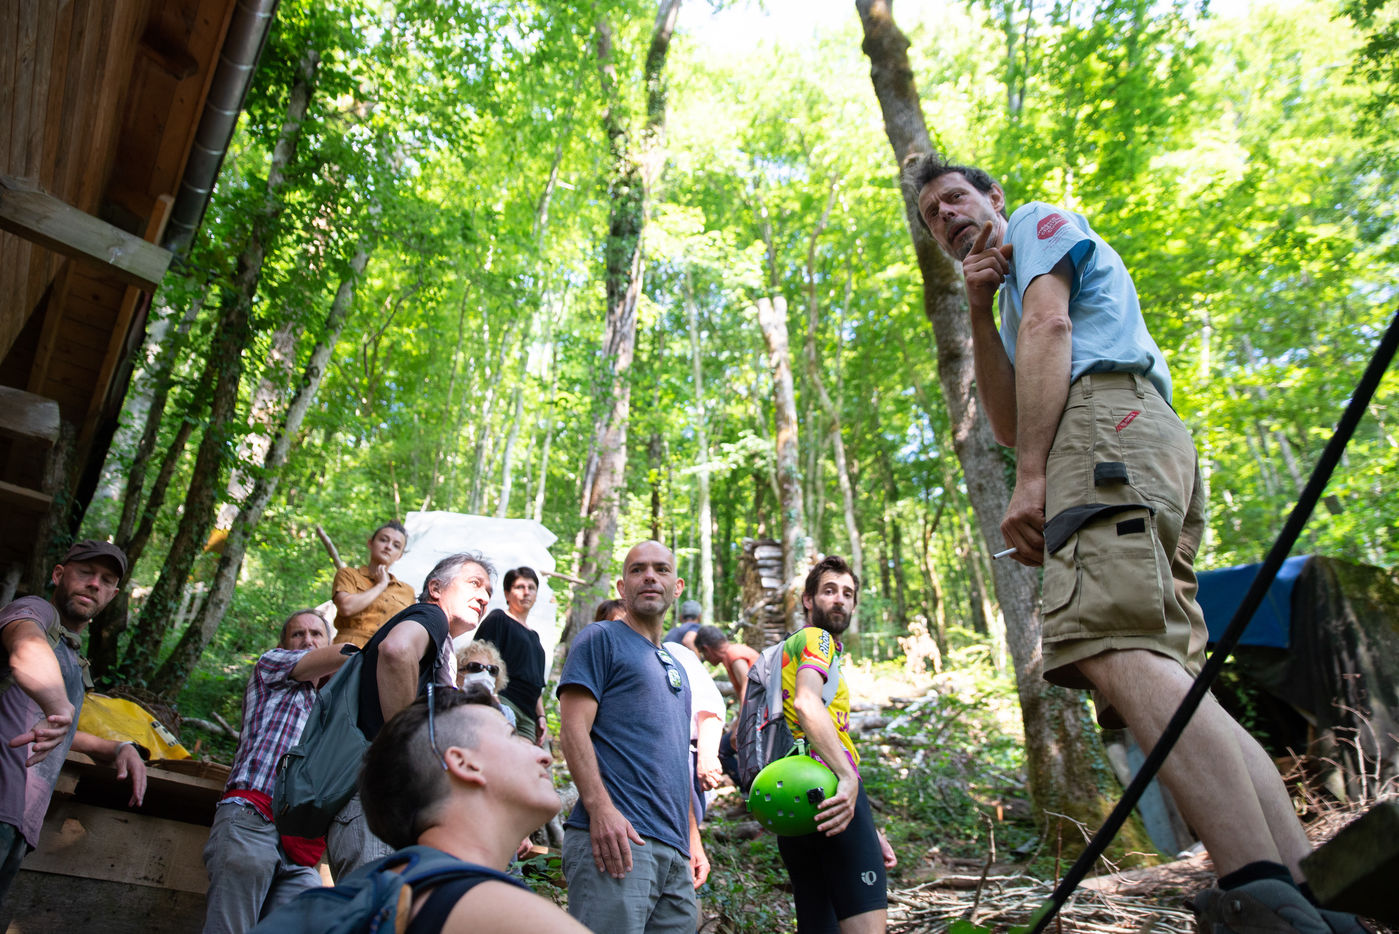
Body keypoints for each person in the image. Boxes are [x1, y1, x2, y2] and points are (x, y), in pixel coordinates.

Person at [908, 156, 1363, 933]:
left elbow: (1052, 331)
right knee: (1173, 676)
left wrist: (1031, 479)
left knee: (1108, 641)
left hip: (1104, 429)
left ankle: (1260, 895)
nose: (946, 217)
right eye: (931, 216)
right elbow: (1009, 421)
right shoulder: (1007, 292)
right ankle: (1306, 894)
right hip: (1130, 441)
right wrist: (979, 312)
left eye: (955, 198)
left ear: (994, 197)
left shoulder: (1034, 223)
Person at [255, 685, 590, 934]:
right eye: (512, 735)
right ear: (464, 763)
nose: (544, 756)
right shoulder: (501, 912)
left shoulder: (375, 889)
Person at [557, 541, 709, 934]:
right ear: (622, 587)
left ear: (677, 587)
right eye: (638, 569)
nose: (650, 577)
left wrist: (692, 838)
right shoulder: (600, 639)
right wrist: (601, 810)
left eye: (661, 569)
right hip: (617, 841)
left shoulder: (677, 667)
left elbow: (678, 758)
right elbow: (572, 729)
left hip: (674, 852)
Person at [326, 552, 493, 881]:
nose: (485, 597)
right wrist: (408, 753)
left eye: (488, 591)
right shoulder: (431, 616)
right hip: (374, 801)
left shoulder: (439, 645)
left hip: (375, 804)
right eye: (475, 583)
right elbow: (396, 650)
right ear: (435, 588)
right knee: (378, 905)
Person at [0, 540, 147, 906]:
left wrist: (117, 748)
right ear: (58, 574)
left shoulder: (72, 655)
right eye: (86, 572)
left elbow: (54, 728)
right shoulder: (34, 612)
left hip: (20, 822)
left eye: (106, 580)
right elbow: (25, 642)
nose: (94, 583)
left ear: (113, 595)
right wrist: (58, 702)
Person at [202, 609, 356, 933]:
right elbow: (344, 655)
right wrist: (382, 651)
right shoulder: (271, 666)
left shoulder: (333, 708)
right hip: (251, 818)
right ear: (283, 645)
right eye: (298, 634)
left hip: (299, 846)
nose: (307, 640)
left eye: (316, 634)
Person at [773, 556, 896, 934]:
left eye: (847, 593)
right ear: (808, 600)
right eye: (829, 591)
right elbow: (806, 703)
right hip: (829, 786)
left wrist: (869, 832)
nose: (840, 599)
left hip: (793, 799)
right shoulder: (818, 639)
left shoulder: (784, 651)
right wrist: (847, 779)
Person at [472, 567, 548, 746]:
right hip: (504, 701)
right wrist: (491, 696)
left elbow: (536, 683)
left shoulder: (535, 637)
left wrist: (541, 716)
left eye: (531, 587)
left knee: (522, 760)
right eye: (520, 587)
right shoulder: (499, 619)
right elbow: (480, 657)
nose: (526, 592)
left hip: (528, 714)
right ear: (507, 593)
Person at [331, 520, 414, 648]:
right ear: (370, 543)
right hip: (348, 649)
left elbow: (409, 632)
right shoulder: (348, 574)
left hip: (385, 653)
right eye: (383, 540)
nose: (388, 547)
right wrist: (381, 585)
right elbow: (346, 607)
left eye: (396, 545)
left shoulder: (407, 592)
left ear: (399, 556)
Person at [693, 625, 759, 786]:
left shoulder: (733, 654)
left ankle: (750, 791)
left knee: (724, 749)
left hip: (761, 716)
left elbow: (747, 685)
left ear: (707, 649)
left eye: (703, 654)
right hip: (757, 713)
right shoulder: (735, 651)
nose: (706, 658)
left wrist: (742, 725)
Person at [456, 640, 515, 729]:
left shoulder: (506, 713)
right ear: (458, 675)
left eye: (492, 670)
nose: (485, 673)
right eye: (475, 667)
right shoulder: (448, 705)